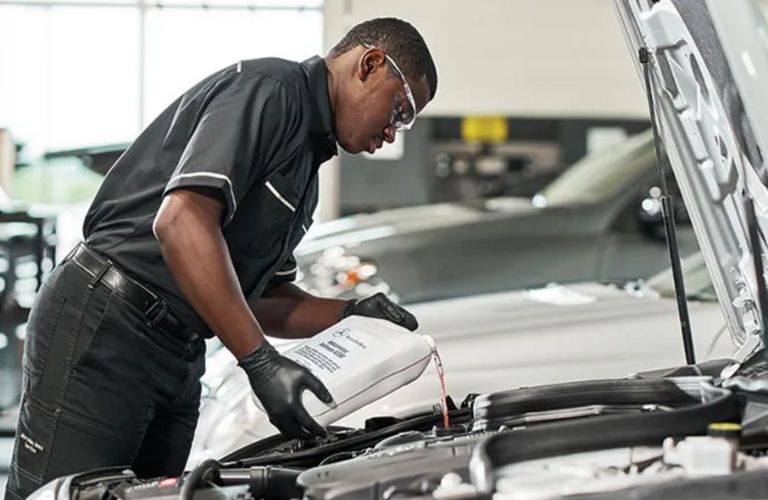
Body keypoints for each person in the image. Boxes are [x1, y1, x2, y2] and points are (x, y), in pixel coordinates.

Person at [5, 17, 437, 499]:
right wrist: (261, 363)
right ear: (370, 64)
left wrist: (348, 313)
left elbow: (261, 297)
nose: (393, 133)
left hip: (177, 353)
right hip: (108, 326)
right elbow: (181, 220)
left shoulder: (306, 173)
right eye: (400, 110)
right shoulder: (271, 91)